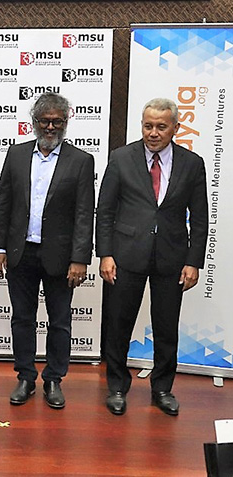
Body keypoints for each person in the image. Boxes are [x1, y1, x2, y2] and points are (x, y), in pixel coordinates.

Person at [96, 98, 208, 416]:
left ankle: (162, 388)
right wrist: (105, 253)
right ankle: (117, 386)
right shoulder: (121, 158)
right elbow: (104, 211)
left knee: (166, 326)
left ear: (176, 127)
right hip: (125, 255)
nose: (153, 133)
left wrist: (193, 261)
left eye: (161, 126)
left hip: (172, 259)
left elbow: (199, 218)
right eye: (148, 126)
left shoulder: (192, 163)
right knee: (118, 324)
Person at [0, 93, 95, 409]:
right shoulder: (17, 154)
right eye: (44, 121)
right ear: (33, 122)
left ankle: (53, 379)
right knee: (22, 318)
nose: (50, 127)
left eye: (57, 121)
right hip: (21, 253)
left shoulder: (81, 160)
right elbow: (3, 203)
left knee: (59, 320)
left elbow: (83, 213)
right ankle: (25, 376)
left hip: (61, 258)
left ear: (66, 122)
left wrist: (80, 258)